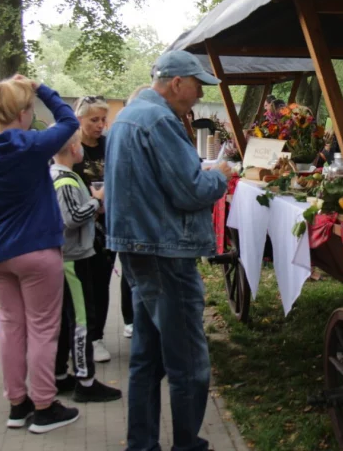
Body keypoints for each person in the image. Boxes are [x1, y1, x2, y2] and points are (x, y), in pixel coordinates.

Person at [106, 51, 231, 451]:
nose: (198, 96)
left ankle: (141, 443)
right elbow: (191, 190)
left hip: (139, 248)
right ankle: (186, 444)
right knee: (189, 364)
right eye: (197, 86)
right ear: (176, 82)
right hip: (166, 252)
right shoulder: (160, 120)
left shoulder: (128, 116)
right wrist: (221, 178)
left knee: (147, 357)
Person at [0, 75, 81, 434]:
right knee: (43, 329)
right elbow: (70, 122)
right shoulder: (31, 144)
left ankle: (17, 405)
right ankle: (44, 406)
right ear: (23, 111)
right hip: (37, 249)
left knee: (11, 328)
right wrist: (42, 88)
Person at [51, 130, 123, 402]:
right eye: (79, 143)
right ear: (72, 147)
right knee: (81, 321)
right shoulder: (65, 179)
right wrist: (98, 198)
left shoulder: (60, 176)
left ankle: (60, 374)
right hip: (73, 259)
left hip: (69, 256)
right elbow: (73, 217)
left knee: (65, 320)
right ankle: (85, 380)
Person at [71, 95, 116, 362]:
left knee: (101, 280)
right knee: (80, 282)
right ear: (80, 120)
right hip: (78, 223)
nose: (100, 125)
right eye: (94, 120)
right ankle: (79, 335)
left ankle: (96, 337)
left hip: (106, 224)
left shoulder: (109, 146)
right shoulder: (72, 148)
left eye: (103, 119)